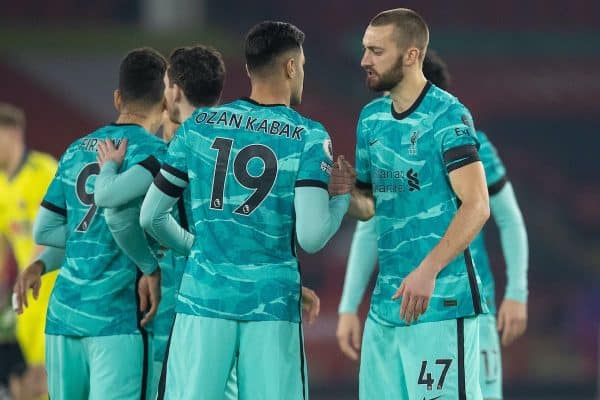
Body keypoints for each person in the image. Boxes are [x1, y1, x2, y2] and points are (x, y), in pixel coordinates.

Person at [139, 21, 353, 399]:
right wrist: (340, 198)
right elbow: (312, 236)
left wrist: (199, 250)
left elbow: (151, 216)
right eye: (301, 65)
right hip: (270, 306)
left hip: (202, 301)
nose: (302, 73)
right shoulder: (308, 135)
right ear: (290, 67)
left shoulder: (200, 126)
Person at [337, 50, 529, 400]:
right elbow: (371, 225)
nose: (386, 105)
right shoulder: (383, 141)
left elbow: (506, 216)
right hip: (398, 307)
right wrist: (349, 305)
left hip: (461, 305)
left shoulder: (469, 143)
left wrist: (517, 292)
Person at [347, 8, 490, 399]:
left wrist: (428, 270)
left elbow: (477, 205)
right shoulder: (371, 119)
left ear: (411, 55)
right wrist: (344, 196)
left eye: (376, 51)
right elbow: (369, 205)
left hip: (441, 301)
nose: (364, 60)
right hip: (385, 307)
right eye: (364, 49)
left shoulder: (448, 114)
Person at [15, 48, 167, 400]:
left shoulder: (75, 150)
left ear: (117, 98)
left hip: (63, 318)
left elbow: (44, 230)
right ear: (163, 102)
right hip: (117, 319)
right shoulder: (158, 154)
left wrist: (59, 253)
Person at [0, 103, 58, 396]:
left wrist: (30, 271)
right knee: (30, 383)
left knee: (50, 376)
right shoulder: (0, 185)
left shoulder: (44, 170)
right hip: (25, 300)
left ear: (11, 135)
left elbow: (52, 230)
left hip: (53, 290)